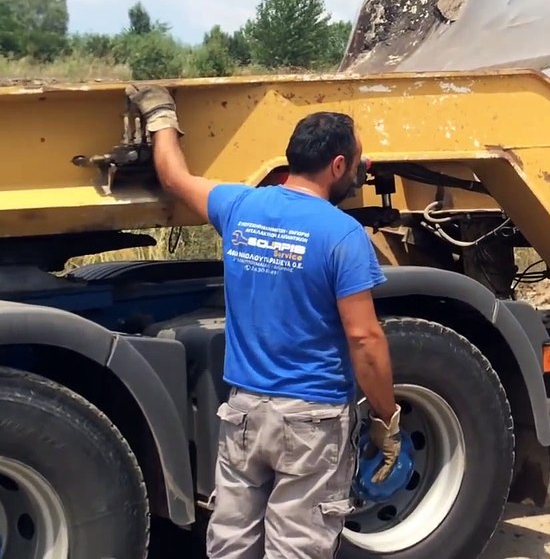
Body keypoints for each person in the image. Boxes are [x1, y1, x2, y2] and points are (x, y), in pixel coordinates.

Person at [125, 83, 403, 558]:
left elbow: (173, 177)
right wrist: (386, 416)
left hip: (244, 412)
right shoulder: (343, 235)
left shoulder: (240, 206)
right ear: (338, 166)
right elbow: (364, 338)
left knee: (232, 542)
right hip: (312, 419)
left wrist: (161, 114)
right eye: (358, 162)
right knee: (297, 546)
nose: (363, 168)